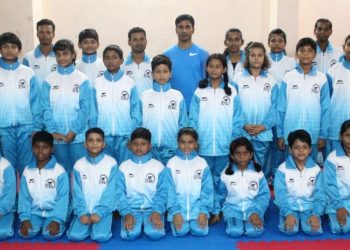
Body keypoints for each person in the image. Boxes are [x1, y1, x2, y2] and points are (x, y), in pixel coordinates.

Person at [189, 53, 243, 191]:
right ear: (206, 68)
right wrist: (194, 141)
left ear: (224, 69)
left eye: (218, 66)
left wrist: (234, 141)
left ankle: (218, 209)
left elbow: (237, 119)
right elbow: (193, 119)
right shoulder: (199, 91)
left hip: (225, 145)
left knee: (223, 180)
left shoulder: (231, 91)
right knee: (204, 180)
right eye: (211, 66)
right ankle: (207, 209)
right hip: (203, 145)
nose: (214, 70)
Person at [41, 39, 91, 172]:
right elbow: (45, 108)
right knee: (61, 171)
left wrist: (74, 130)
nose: (61, 58)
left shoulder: (82, 79)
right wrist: (53, 131)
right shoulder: (48, 80)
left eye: (65, 54)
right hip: (57, 137)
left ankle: (77, 194)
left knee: (80, 171)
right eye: (58, 54)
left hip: (78, 136)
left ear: (73, 55)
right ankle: (65, 194)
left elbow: (85, 109)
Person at [277, 37, 330, 161]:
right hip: (290, 133)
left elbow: (326, 109)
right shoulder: (288, 77)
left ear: (314, 54)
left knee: (310, 171)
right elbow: (281, 108)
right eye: (302, 50)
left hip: (314, 134)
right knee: (291, 171)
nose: (305, 53)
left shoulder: (321, 78)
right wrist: (280, 135)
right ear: (296, 54)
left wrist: (322, 135)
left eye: (310, 50)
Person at [233, 42, 277, 178]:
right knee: (241, 162)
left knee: (259, 165)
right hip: (243, 131)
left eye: (259, 55)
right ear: (247, 57)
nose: (256, 58)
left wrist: (264, 126)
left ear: (265, 57)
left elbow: (274, 107)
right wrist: (243, 125)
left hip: (263, 132)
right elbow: (234, 107)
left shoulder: (271, 80)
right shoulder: (238, 78)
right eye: (252, 55)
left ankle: (257, 190)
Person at [91, 45, 141, 164]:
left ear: (121, 60)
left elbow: (135, 112)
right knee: (106, 170)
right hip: (104, 137)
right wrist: (96, 135)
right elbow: (93, 113)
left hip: (125, 137)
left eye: (114, 57)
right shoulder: (97, 84)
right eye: (107, 58)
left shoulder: (129, 83)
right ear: (103, 61)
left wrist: (131, 135)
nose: (110, 60)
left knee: (124, 169)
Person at [116, 128, 169, 240]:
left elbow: (163, 192)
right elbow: (119, 193)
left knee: (155, 235)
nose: (139, 147)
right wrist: (126, 213)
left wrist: (157, 211)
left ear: (149, 146)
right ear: (130, 145)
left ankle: (153, 217)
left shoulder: (158, 166)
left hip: (152, 208)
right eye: (135, 144)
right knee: (129, 236)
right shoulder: (123, 167)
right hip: (131, 209)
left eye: (143, 144)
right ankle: (131, 217)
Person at [211, 137, 270, 237]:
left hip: (253, 208)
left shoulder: (257, 172)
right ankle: (233, 221)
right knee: (235, 232)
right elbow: (219, 194)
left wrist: (257, 212)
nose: (242, 157)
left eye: (245, 153)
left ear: (251, 154)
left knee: (254, 232)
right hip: (232, 210)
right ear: (232, 156)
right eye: (238, 153)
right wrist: (216, 212)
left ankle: (255, 217)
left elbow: (264, 195)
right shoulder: (226, 173)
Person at [67, 127, 118, 242]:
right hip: (83, 210)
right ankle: (83, 222)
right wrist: (81, 213)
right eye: (91, 140)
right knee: (75, 237)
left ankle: (101, 224)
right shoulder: (78, 165)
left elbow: (111, 192)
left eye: (98, 140)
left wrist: (99, 213)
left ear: (103, 144)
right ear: (85, 144)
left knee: (100, 237)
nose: (94, 143)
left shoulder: (111, 164)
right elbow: (76, 192)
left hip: (103, 211)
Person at [0, 32, 41, 174]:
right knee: (7, 167)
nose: (9, 50)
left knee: (27, 166)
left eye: (13, 46)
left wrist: (36, 127)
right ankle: (11, 196)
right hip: (3, 128)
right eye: (5, 46)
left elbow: (36, 102)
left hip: (26, 128)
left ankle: (25, 196)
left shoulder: (28, 73)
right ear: (0, 49)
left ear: (19, 49)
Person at [18, 131, 69, 240]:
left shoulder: (59, 172)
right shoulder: (27, 171)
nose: (40, 151)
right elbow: (24, 197)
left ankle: (59, 222)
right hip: (34, 213)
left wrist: (57, 220)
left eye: (45, 147)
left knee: (49, 235)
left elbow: (63, 198)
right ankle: (33, 221)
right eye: (37, 147)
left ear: (52, 149)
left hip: (54, 213)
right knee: (26, 234)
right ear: (32, 149)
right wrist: (25, 219)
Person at [274, 129, 325, 235]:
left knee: (313, 231)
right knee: (289, 231)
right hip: (290, 206)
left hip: (309, 207)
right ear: (290, 150)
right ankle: (285, 215)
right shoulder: (282, 169)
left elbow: (320, 195)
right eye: (296, 148)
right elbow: (280, 196)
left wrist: (316, 214)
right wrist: (288, 213)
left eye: (304, 147)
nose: (301, 151)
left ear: (310, 149)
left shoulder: (316, 170)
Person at [141, 55, 188, 165]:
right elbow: (138, 122)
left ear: (170, 74)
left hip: (172, 148)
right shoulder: (145, 96)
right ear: (152, 74)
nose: (161, 75)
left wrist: (180, 143)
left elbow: (183, 123)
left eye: (165, 71)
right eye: (157, 71)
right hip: (149, 148)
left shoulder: (177, 96)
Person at [167, 127, 213, 237]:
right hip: (178, 209)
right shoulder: (171, 163)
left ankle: (196, 216)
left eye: (190, 142)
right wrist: (175, 212)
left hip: (197, 209)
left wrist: (203, 211)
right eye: (183, 142)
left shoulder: (202, 163)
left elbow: (207, 189)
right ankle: (178, 216)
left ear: (196, 144)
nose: (186, 146)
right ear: (178, 143)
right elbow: (169, 191)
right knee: (180, 232)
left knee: (201, 232)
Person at [266, 28, 296, 181]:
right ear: (268, 42)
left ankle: (278, 174)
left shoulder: (291, 62)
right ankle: (267, 174)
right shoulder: (263, 59)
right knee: (267, 145)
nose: (276, 43)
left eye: (280, 40)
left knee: (280, 143)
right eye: (273, 40)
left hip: (284, 109)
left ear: (285, 43)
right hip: (266, 109)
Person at [163, 14, 208, 109]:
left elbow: (207, 82)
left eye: (187, 27)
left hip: (196, 106)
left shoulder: (203, 54)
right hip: (172, 106)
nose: (184, 30)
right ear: (176, 30)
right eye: (180, 27)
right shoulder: (167, 55)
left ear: (193, 30)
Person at [324, 120, 350, 234]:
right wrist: (339, 207)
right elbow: (329, 185)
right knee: (342, 229)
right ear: (341, 136)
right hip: (337, 201)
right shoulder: (332, 158)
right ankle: (331, 213)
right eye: (348, 135)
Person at [326, 34, 350, 152]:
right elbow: (326, 101)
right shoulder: (332, 71)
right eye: (349, 45)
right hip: (335, 127)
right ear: (344, 47)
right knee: (334, 163)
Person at [23, 19, 57, 83]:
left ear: (53, 35)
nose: (45, 35)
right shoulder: (28, 57)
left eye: (48, 32)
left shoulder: (60, 56)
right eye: (41, 32)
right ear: (37, 34)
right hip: (35, 93)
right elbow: (25, 80)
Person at [124, 27, 153, 96]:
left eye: (141, 39)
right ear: (129, 42)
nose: (139, 42)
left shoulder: (153, 63)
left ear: (146, 41)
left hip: (149, 105)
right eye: (135, 40)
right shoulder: (122, 65)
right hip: (130, 105)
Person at [0, 155, 16, 240]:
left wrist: (1, 211)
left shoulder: (6, 166)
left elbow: (9, 197)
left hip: (4, 207)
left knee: (3, 232)